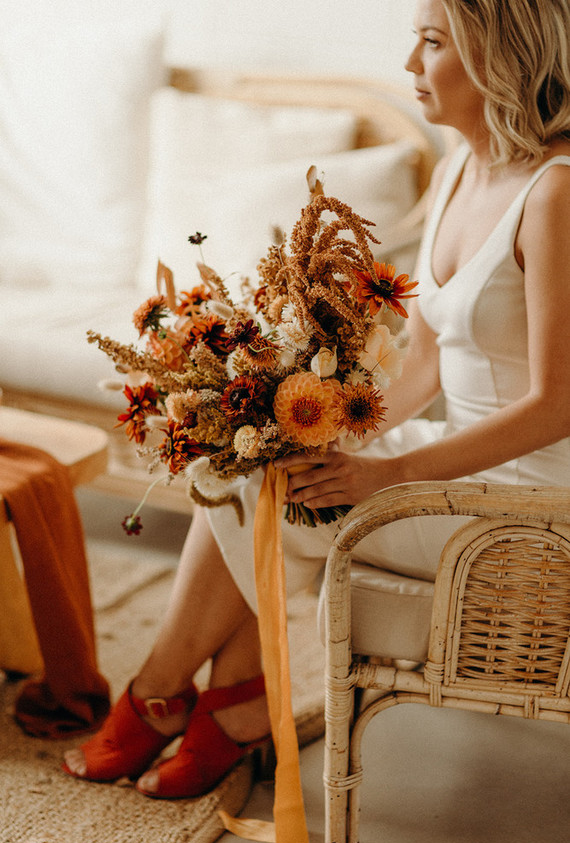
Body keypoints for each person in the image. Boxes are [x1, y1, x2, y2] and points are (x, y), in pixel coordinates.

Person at [63, 0, 570, 799]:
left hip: (524, 494)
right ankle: (232, 706)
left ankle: (162, 692)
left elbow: (555, 405)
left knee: (272, 490)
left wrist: (383, 476)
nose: (410, 64)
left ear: (497, 56)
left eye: (432, 43)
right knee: (255, 462)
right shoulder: (458, 170)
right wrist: (328, 436)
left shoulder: (555, 195)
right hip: (453, 454)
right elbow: (425, 366)